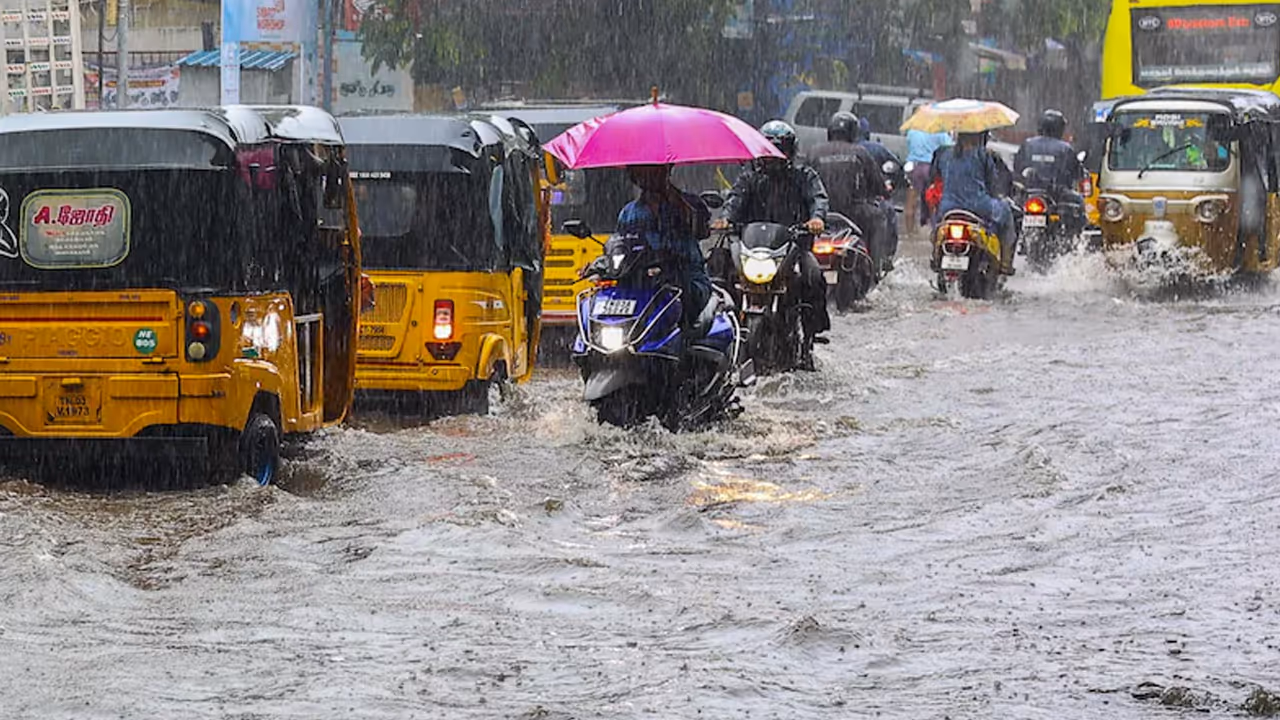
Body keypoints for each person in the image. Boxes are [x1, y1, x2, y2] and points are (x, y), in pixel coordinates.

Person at [712, 120, 830, 364]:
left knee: (814, 276)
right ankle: (715, 328)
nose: (774, 156)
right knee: (716, 265)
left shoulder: (804, 175)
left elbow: (818, 198)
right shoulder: (750, 178)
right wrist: (725, 218)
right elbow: (734, 200)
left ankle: (809, 335)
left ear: (790, 151)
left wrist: (816, 218)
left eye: (780, 149)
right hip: (752, 249)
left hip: (791, 248)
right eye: (769, 149)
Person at [612, 164, 713, 328]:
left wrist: (679, 203)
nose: (647, 177)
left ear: (666, 171)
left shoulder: (689, 203)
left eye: (653, 171)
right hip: (643, 284)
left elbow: (702, 230)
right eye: (640, 172)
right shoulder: (628, 213)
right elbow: (620, 245)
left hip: (685, 279)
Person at [808, 111, 889, 274]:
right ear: (853, 132)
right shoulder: (860, 152)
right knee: (879, 218)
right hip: (855, 214)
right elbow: (878, 185)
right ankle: (874, 268)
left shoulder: (813, 152)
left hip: (820, 214)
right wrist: (884, 190)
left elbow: (804, 182)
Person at [930, 130, 1018, 275]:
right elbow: (993, 184)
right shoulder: (983, 155)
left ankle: (935, 254)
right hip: (979, 206)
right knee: (1007, 210)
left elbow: (934, 176)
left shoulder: (943, 153)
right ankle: (1005, 263)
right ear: (979, 135)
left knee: (937, 225)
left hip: (948, 207)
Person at [1013, 109, 1086, 234]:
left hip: (1028, 193)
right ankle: (1076, 242)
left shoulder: (1027, 144)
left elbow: (1017, 168)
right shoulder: (1065, 148)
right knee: (1079, 204)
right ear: (1060, 128)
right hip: (1057, 195)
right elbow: (1076, 172)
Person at [906, 128, 953, 228]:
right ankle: (933, 229)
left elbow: (909, 145)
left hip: (913, 167)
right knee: (932, 198)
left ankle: (910, 233)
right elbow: (950, 147)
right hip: (930, 167)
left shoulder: (912, 131)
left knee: (911, 200)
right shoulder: (939, 132)